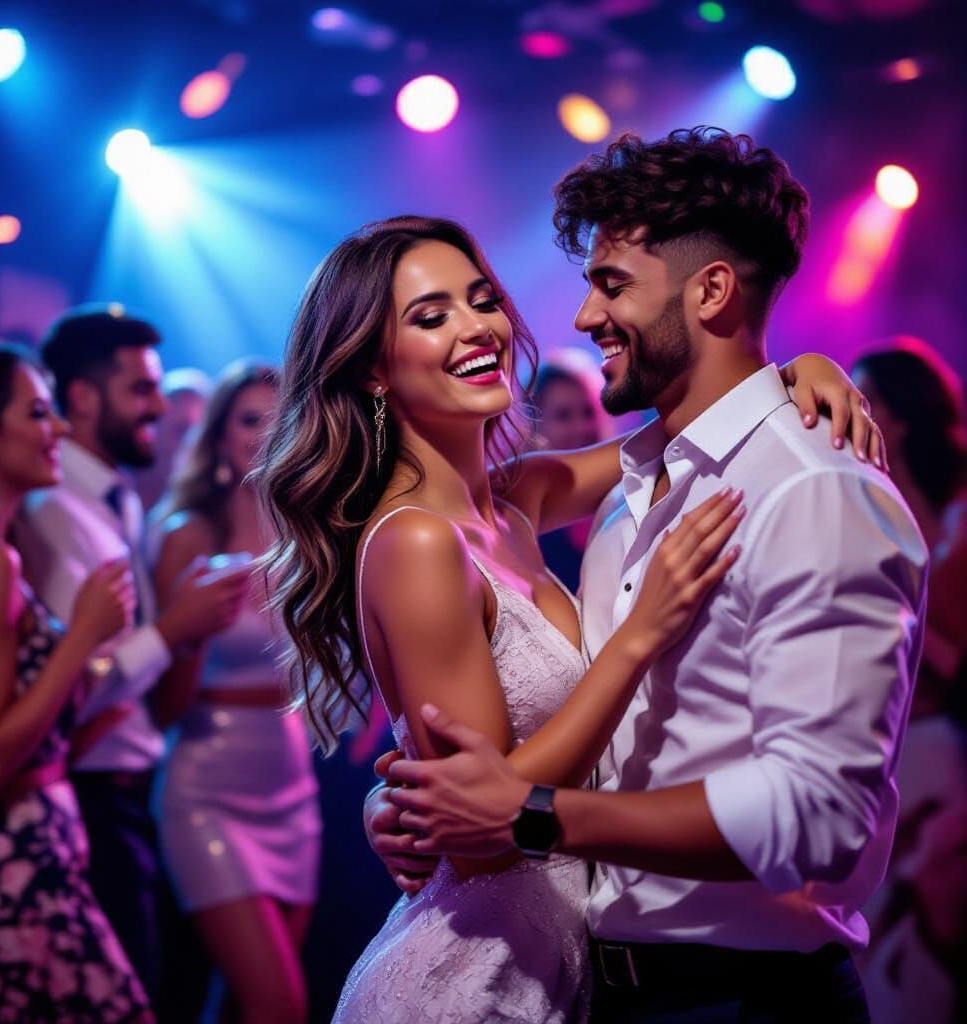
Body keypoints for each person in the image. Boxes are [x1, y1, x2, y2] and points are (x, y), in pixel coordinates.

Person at [256, 203, 879, 1021]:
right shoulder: (414, 543)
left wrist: (792, 374)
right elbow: (483, 836)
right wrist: (639, 636)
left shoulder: (511, 503)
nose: (477, 329)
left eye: (482, 300)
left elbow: (683, 434)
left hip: (563, 961)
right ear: (374, 369)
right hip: (474, 975)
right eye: (431, 316)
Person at [12, 306, 250, 1005]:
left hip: (130, 791)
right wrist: (174, 630)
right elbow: (60, 679)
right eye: (141, 390)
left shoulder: (111, 501)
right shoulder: (51, 514)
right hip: (90, 796)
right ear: (83, 396)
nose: (159, 408)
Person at [0, 343, 153, 1022]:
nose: (59, 427)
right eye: (38, 411)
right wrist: (83, 638)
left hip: (29, 852)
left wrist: (84, 704)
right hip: (10, 866)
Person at [150, 360, 321, 1023]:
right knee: (278, 1003)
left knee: (244, 1008)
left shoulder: (307, 530)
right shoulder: (188, 534)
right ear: (220, 436)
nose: (266, 433)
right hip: (207, 787)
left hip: (290, 778)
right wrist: (192, 632)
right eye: (249, 419)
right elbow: (161, 704)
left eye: (279, 417)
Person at [850, 337, 967, 1023]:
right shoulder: (874, 501)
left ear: (893, 415)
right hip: (888, 742)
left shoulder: (959, 523)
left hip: (940, 749)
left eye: (863, 396)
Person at [530, 360, 611, 589]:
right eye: (563, 415)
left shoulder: (630, 493)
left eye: (588, 412)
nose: (580, 427)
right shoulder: (525, 512)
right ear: (536, 425)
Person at [134, 366, 213, 512]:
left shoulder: (203, 508)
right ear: (154, 424)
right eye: (182, 429)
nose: (189, 443)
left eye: (197, 434)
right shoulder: (117, 487)